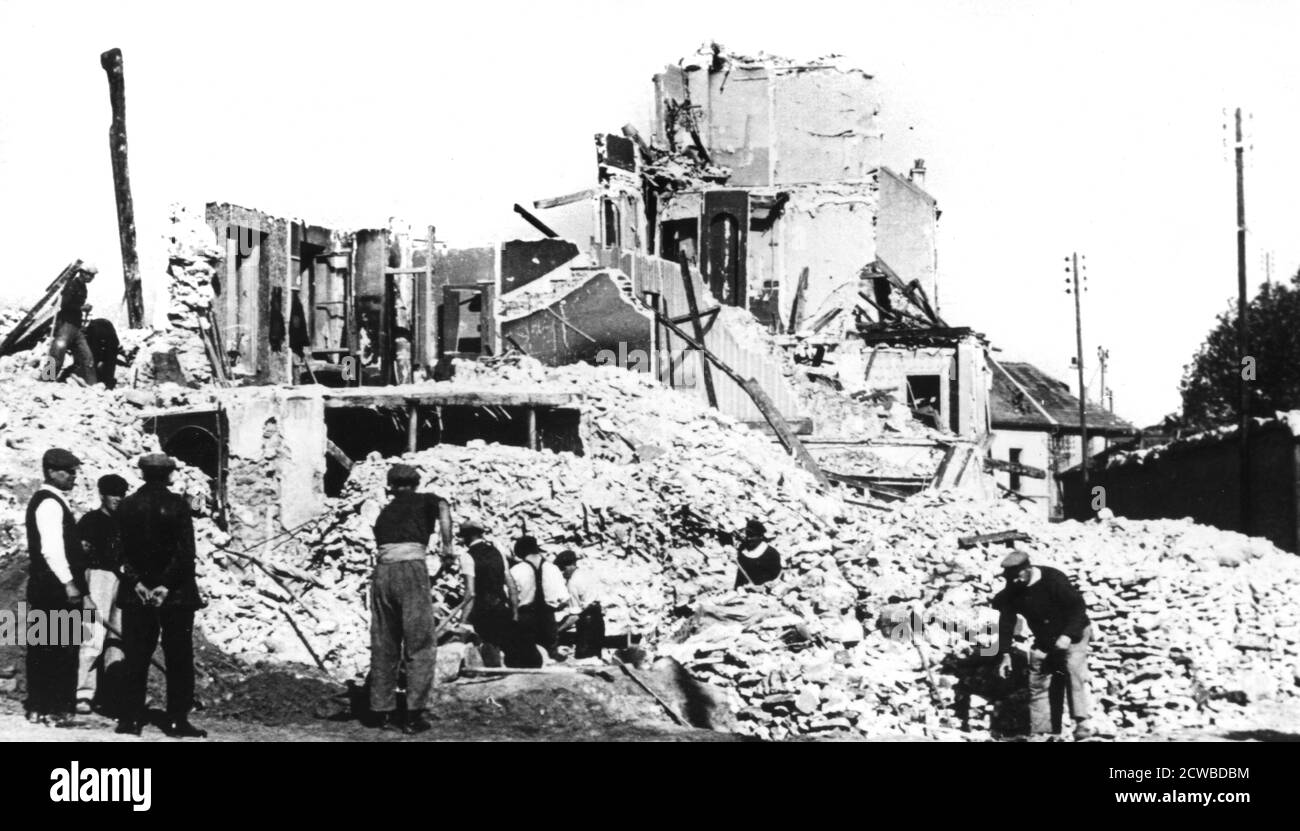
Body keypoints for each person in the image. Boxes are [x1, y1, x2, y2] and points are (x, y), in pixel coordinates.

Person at [114, 453, 206, 738]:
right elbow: (186, 554)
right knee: (179, 656)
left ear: (142, 474)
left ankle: (130, 719)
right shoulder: (179, 506)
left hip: (136, 595)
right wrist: (165, 585)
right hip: (175, 595)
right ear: (169, 476)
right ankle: (177, 721)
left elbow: (118, 551)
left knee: (136, 656)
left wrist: (138, 582)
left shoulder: (127, 506)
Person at [366, 463, 452, 734]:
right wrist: (448, 548)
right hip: (411, 569)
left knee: (384, 640)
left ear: (391, 486)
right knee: (419, 641)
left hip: (382, 573)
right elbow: (445, 507)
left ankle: (381, 712)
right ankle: (413, 715)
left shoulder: (385, 512)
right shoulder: (426, 500)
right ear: (415, 484)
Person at [993, 550, 1093, 740]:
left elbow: (1078, 609)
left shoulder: (1054, 580)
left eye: (1017, 577)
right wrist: (1005, 654)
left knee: (1072, 668)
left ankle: (1081, 723)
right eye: (1010, 578)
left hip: (1074, 631)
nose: (1013, 582)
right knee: (1038, 676)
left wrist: (1067, 636)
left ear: (1028, 569)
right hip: (1045, 639)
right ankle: (1043, 731)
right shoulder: (1013, 588)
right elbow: (1006, 623)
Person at [24, 448, 85, 727]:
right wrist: (70, 583)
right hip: (55, 587)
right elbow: (51, 549)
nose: (73, 476)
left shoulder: (51, 501)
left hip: (43, 585)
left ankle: (38, 706)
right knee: (61, 649)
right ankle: (56, 710)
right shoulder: (50, 503)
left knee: (43, 647)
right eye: (68, 471)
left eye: (74, 471)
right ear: (51, 471)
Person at [74, 473, 128, 715]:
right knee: (92, 635)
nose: (117, 499)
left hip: (123, 580)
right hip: (97, 577)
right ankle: (83, 693)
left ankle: (113, 696)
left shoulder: (125, 522)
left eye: (121, 494)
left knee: (118, 638)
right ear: (102, 495)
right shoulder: (90, 521)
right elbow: (79, 555)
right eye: (113, 494)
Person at [455, 520, 517, 667]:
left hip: (483, 611)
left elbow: (470, 593)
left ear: (467, 537)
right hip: (502, 607)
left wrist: (462, 622)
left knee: (489, 652)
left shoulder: (467, 557)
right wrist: (515, 611)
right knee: (505, 650)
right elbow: (511, 583)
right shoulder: (498, 553)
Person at [508, 536, 568, 667]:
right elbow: (564, 598)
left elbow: (509, 597)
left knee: (527, 661)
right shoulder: (553, 569)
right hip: (548, 619)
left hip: (526, 620)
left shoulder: (515, 571)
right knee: (551, 660)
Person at [46, 262, 98, 385]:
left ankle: (93, 386)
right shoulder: (72, 285)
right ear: (82, 273)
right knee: (57, 353)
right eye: (89, 275)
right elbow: (65, 305)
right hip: (66, 324)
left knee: (87, 357)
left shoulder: (83, 287)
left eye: (93, 276)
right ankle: (47, 379)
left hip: (76, 326)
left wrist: (84, 308)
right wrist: (81, 308)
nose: (91, 278)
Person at [555, 550, 605, 660]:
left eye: (563, 569)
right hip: (598, 621)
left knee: (584, 659)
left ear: (569, 566)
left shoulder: (572, 583)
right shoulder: (586, 574)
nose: (563, 573)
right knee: (595, 658)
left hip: (587, 625)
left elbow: (575, 615)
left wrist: (557, 631)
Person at [734, 519, 781, 588]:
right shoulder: (743, 551)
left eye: (752, 536)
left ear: (760, 537)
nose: (748, 538)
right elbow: (740, 577)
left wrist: (761, 587)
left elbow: (775, 577)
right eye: (747, 535)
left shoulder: (771, 553)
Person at [83, 318, 122, 390]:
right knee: (109, 362)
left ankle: (105, 384)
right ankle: (107, 383)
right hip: (110, 341)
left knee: (106, 361)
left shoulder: (92, 331)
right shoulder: (94, 328)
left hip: (109, 342)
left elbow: (94, 352)